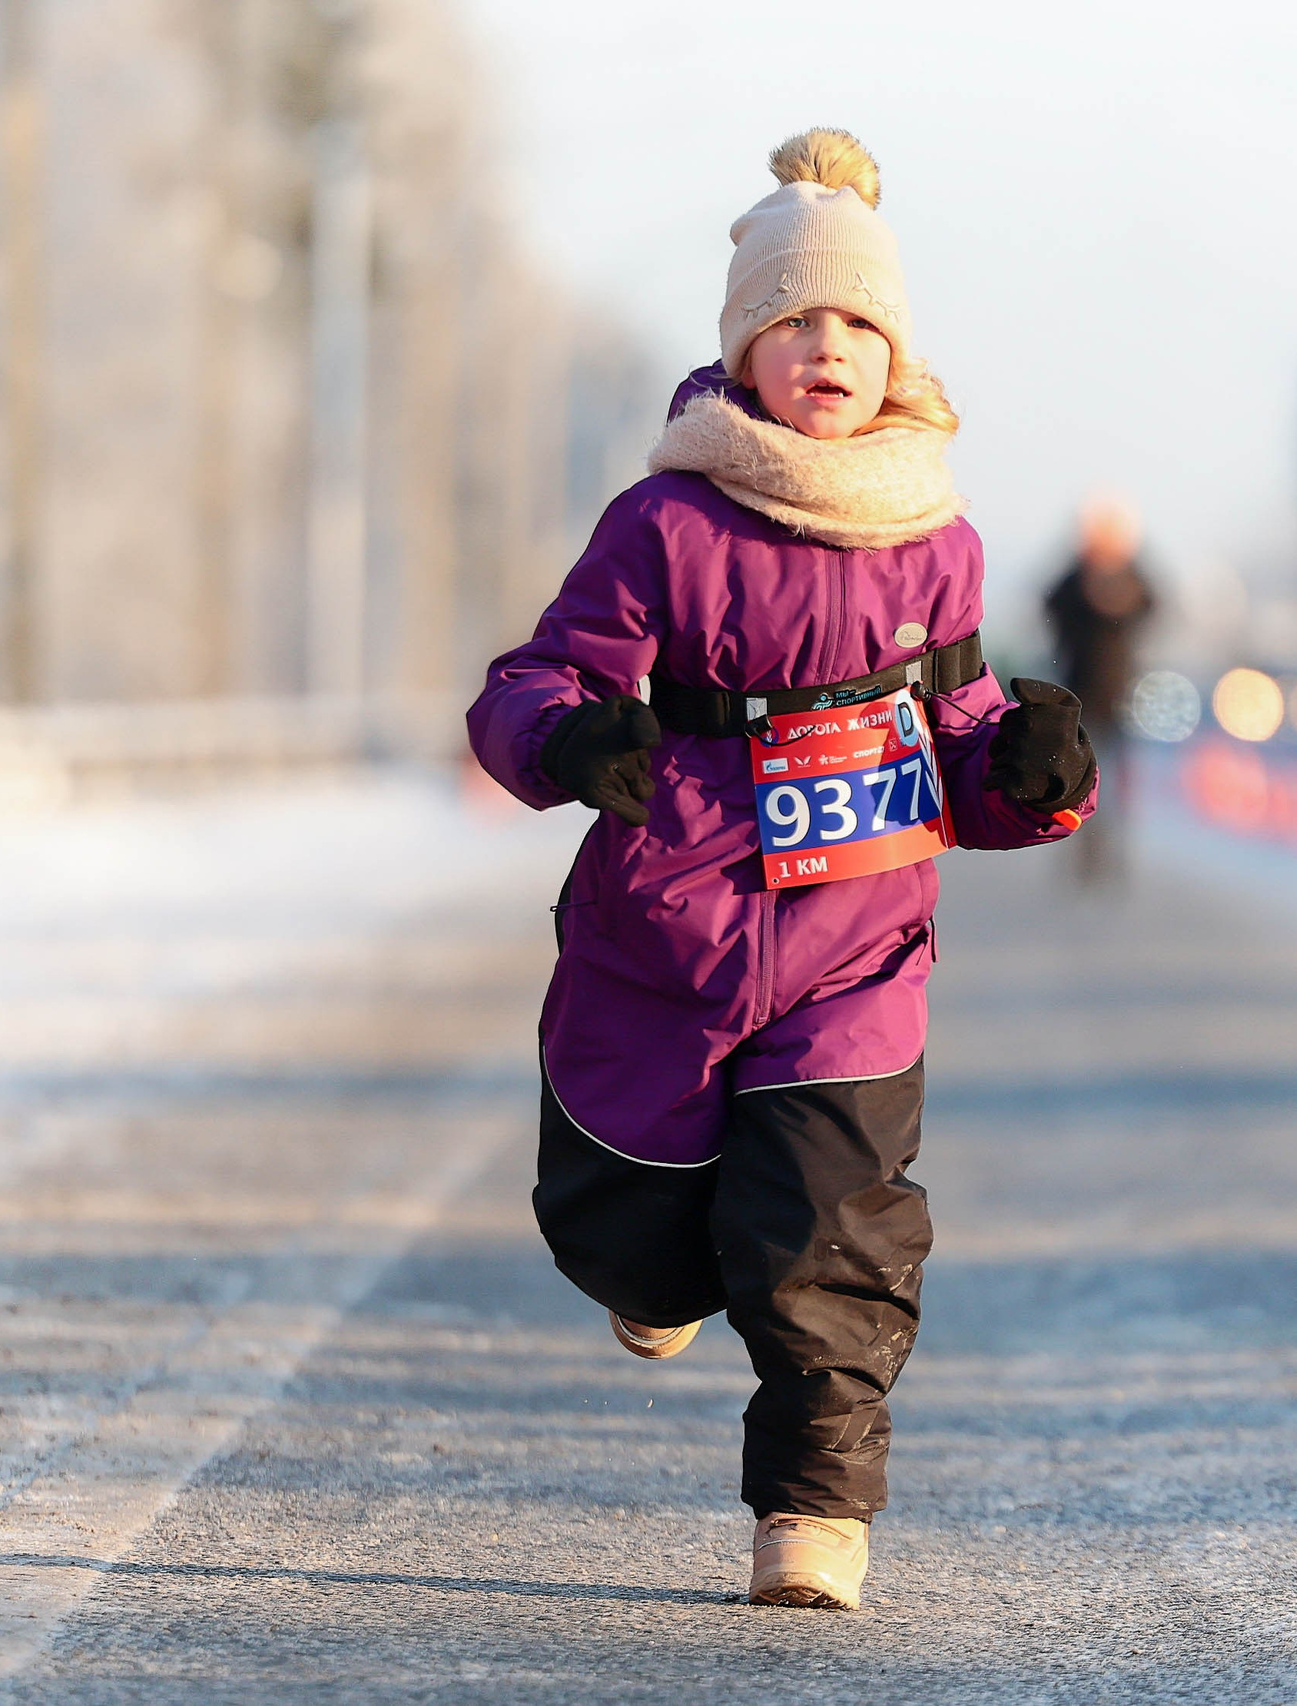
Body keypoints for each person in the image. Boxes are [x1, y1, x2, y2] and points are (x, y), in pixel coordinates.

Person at [467, 130, 1095, 1611]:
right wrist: (573, 742)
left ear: (897, 360)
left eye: (860, 325)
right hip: (663, 945)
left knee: (829, 1233)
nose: (829, 348)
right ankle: (648, 1280)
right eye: (797, 320)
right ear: (745, 349)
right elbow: (535, 675)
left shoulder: (938, 544)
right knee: (635, 1229)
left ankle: (813, 1516)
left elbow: (961, 733)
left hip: (856, 956)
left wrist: (1022, 776)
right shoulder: (667, 522)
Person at [1042, 495, 1156, 882]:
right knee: (1077, 782)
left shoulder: (1135, 577)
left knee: (1117, 784)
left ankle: (1112, 856)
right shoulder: (1074, 577)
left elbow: (1153, 608)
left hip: (1121, 696)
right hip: (1078, 696)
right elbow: (1050, 607)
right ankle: (1082, 856)